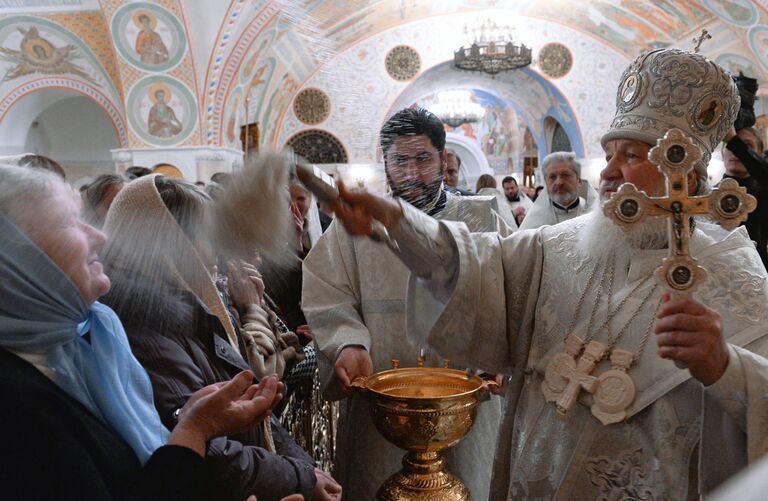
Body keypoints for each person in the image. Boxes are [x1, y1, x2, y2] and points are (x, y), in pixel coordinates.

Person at [328, 48, 768, 499]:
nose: (609, 172)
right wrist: (399, 220)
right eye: (608, 153)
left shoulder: (737, 280)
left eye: (631, 155)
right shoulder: (562, 244)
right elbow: (482, 267)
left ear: (686, 179)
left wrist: (724, 366)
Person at [0, 165, 283, 500]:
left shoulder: (87, 345)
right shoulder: (15, 404)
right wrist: (195, 430)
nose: (99, 236)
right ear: (15, 258)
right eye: (67, 223)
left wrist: (190, 422)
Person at [302, 107, 505, 501]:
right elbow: (328, 290)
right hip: (381, 398)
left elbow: (510, 290)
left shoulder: (483, 216)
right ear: (385, 162)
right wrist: (348, 342)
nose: (411, 173)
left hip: (467, 400)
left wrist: (499, 354)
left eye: (422, 159)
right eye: (399, 160)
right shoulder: (354, 224)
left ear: (443, 159)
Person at [100, 175, 341, 501]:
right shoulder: (145, 328)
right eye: (207, 236)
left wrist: (302, 468)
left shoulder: (185, 305)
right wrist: (300, 477)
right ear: (172, 242)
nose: (217, 249)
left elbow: (252, 403)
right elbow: (205, 446)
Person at [722, 126, 768, 269]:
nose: (735, 152)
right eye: (729, 147)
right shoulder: (707, 191)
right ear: (722, 152)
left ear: (759, 154)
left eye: (747, 145)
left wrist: (733, 140)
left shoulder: (763, 189)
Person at [519, 151, 593, 230]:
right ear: (546, 184)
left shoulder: (593, 212)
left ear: (579, 180)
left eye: (566, 175)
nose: (559, 182)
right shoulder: (534, 219)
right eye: (552, 177)